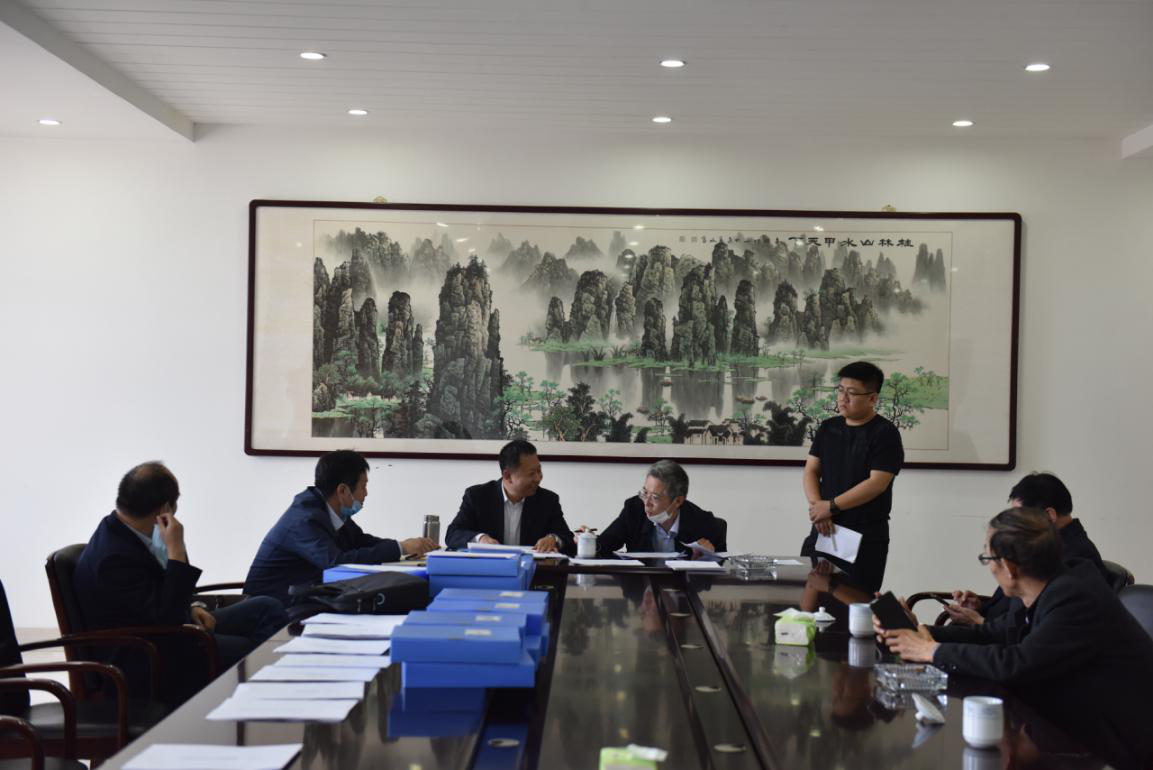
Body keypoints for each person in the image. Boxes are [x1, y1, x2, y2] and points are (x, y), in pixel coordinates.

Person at [878, 507, 1153, 770]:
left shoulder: (1074, 597)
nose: (988, 568)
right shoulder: (1047, 584)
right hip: (1066, 722)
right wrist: (919, 632)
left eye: (987, 559)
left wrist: (931, 651)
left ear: (1009, 567)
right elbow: (993, 634)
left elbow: (1017, 663)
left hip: (1117, 744)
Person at [74, 462, 287, 703]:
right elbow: (168, 616)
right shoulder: (113, 558)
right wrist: (176, 550)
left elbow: (154, 598)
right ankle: (264, 700)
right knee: (256, 651)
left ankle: (264, 691)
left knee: (266, 608)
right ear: (166, 508)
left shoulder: (125, 530)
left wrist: (193, 606)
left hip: (168, 628)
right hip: (149, 655)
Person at [244, 450, 437, 605]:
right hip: (271, 610)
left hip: (304, 598)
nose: (366, 493)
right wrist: (400, 548)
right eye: (363, 486)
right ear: (343, 490)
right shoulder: (305, 519)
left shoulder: (329, 510)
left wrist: (404, 547)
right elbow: (336, 562)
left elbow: (361, 541)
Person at [947, 471, 1108, 625]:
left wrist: (979, 621)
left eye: (1020, 516)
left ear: (1049, 515)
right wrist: (980, 607)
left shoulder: (1074, 555)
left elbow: (1029, 623)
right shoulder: (1046, 545)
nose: (1014, 524)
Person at [801, 361, 904, 593]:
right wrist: (819, 508)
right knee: (810, 598)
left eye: (852, 393)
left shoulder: (885, 433)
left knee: (855, 602)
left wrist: (831, 506)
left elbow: (876, 483)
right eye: (840, 390)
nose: (842, 398)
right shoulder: (828, 428)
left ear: (872, 398)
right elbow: (811, 471)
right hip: (823, 528)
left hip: (864, 535)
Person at [444, 440, 576, 555]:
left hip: (534, 572)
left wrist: (554, 539)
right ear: (508, 476)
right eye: (531, 473)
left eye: (539, 470)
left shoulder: (548, 500)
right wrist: (480, 539)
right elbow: (453, 534)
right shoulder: (478, 496)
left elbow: (567, 537)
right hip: (488, 570)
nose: (538, 478)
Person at [595, 459, 727, 558]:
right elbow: (604, 545)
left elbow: (723, 569)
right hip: (641, 584)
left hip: (682, 586)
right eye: (645, 493)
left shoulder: (705, 524)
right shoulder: (633, 510)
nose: (646, 503)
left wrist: (708, 558)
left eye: (655, 497)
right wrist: (589, 540)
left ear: (678, 501)